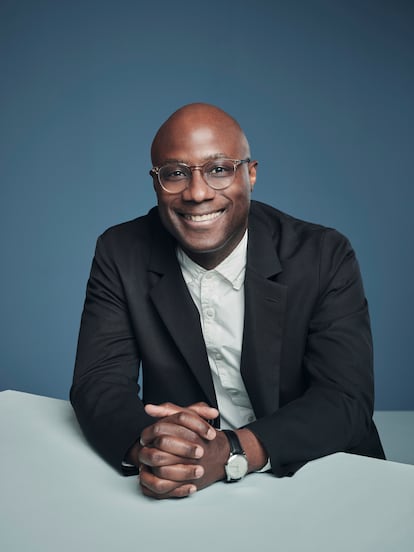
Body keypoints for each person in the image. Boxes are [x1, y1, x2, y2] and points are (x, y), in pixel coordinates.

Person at [71, 102, 385, 499]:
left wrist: (232, 451)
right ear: (156, 183)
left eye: (219, 169)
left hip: (323, 473)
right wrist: (152, 447)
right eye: (176, 174)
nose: (198, 193)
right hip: (196, 493)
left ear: (250, 174)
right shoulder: (121, 252)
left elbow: (345, 400)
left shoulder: (323, 254)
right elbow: (98, 383)